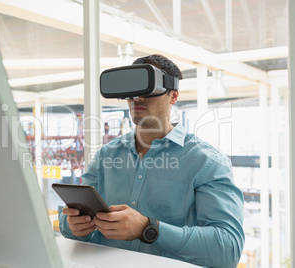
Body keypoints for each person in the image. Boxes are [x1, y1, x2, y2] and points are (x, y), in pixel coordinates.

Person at [58, 54, 244, 268]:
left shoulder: (207, 162)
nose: (137, 97)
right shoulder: (107, 156)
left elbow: (228, 249)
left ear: (173, 96)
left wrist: (149, 229)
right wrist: (72, 224)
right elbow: (69, 220)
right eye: (132, 90)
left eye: (148, 88)